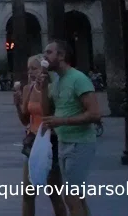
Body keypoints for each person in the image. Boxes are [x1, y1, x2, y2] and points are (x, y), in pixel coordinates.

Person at [41, 40, 100, 216]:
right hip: (64, 142)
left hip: (80, 143)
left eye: (49, 52)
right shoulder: (57, 81)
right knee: (78, 198)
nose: (45, 56)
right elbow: (46, 113)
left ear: (61, 56)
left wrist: (62, 121)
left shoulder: (78, 79)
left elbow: (95, 114)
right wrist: (43, 87)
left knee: (71, 197)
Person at [15, 54, 66, 216]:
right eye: (28, 69)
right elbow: (24, 120)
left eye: (34, 68)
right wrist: (17, 104)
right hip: (32, 141)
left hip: (50, 141)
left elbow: (47, 114)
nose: (30, 72)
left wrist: (43, 89)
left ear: (44, 70)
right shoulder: (27, 89)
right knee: (27, 193)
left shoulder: (53, 89)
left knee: (54, 193)